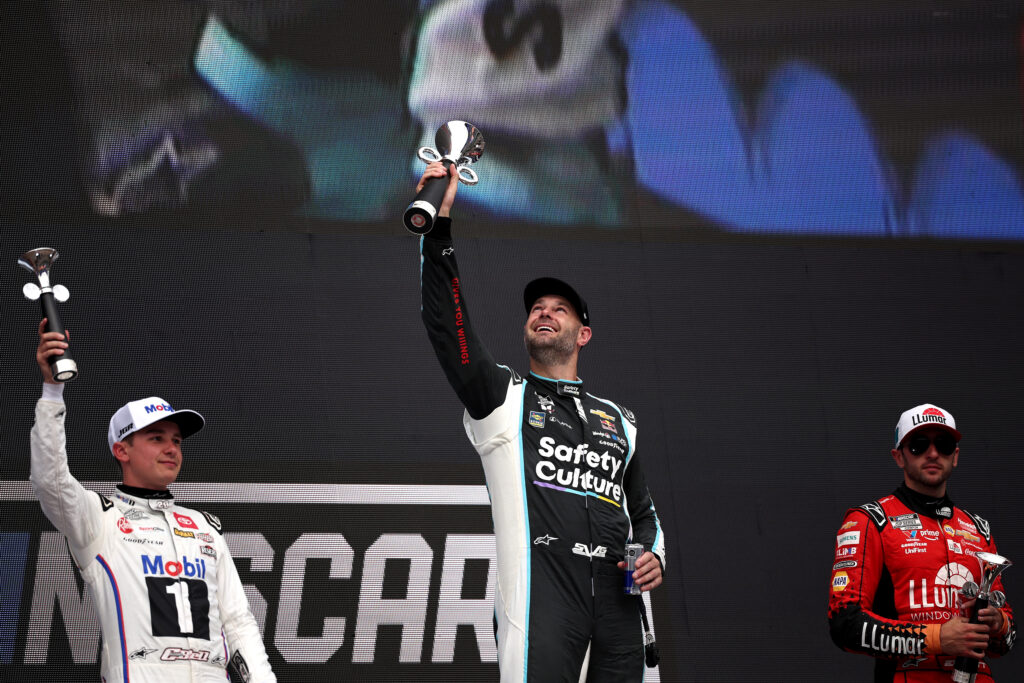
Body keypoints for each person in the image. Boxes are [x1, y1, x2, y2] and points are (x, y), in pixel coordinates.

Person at [415, 162, 666, 682]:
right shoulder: (504, 396)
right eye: (536, 308)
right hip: (543, 601)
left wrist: (655, 557)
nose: (544, 313)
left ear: (585, 334)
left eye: (560, 309)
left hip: (622, 607)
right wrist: (437, 232)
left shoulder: (621, 420)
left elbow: (645, 514)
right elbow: (446, 326)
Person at [31, 319, 276, 683]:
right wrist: (52, 391)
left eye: (177, 441)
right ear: (122, 450)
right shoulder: (99, 520)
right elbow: (50, 480)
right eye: (157, 438)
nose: (171, 449)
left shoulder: (204, 527)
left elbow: (237, 623)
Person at [828, 403, 1016, 682]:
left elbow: (1007, 643)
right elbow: (845, 624)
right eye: (918, 444)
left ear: (955, 456)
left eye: (944, 444)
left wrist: (997, 624)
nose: (932, 453)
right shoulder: (870, 521)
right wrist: (937, 638)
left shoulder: (978, 529)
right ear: (899, 456)